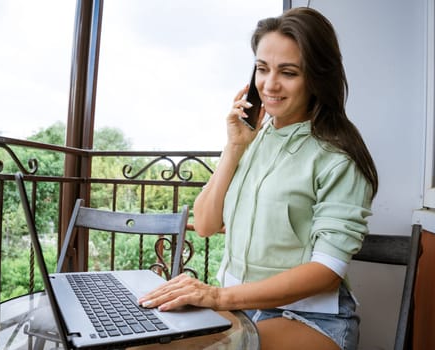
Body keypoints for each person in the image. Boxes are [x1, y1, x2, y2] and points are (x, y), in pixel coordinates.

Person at [138, 7, 378, 350]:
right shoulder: (253, 139)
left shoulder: (338, 157)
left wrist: (218, 297)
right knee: (140, 341)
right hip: (243, 310)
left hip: (311, 319)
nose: (269, 84)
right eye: (262, 69)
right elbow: (205, 223)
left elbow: (326, 270)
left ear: (317, 77)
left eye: (289, 72)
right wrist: (234, 147)